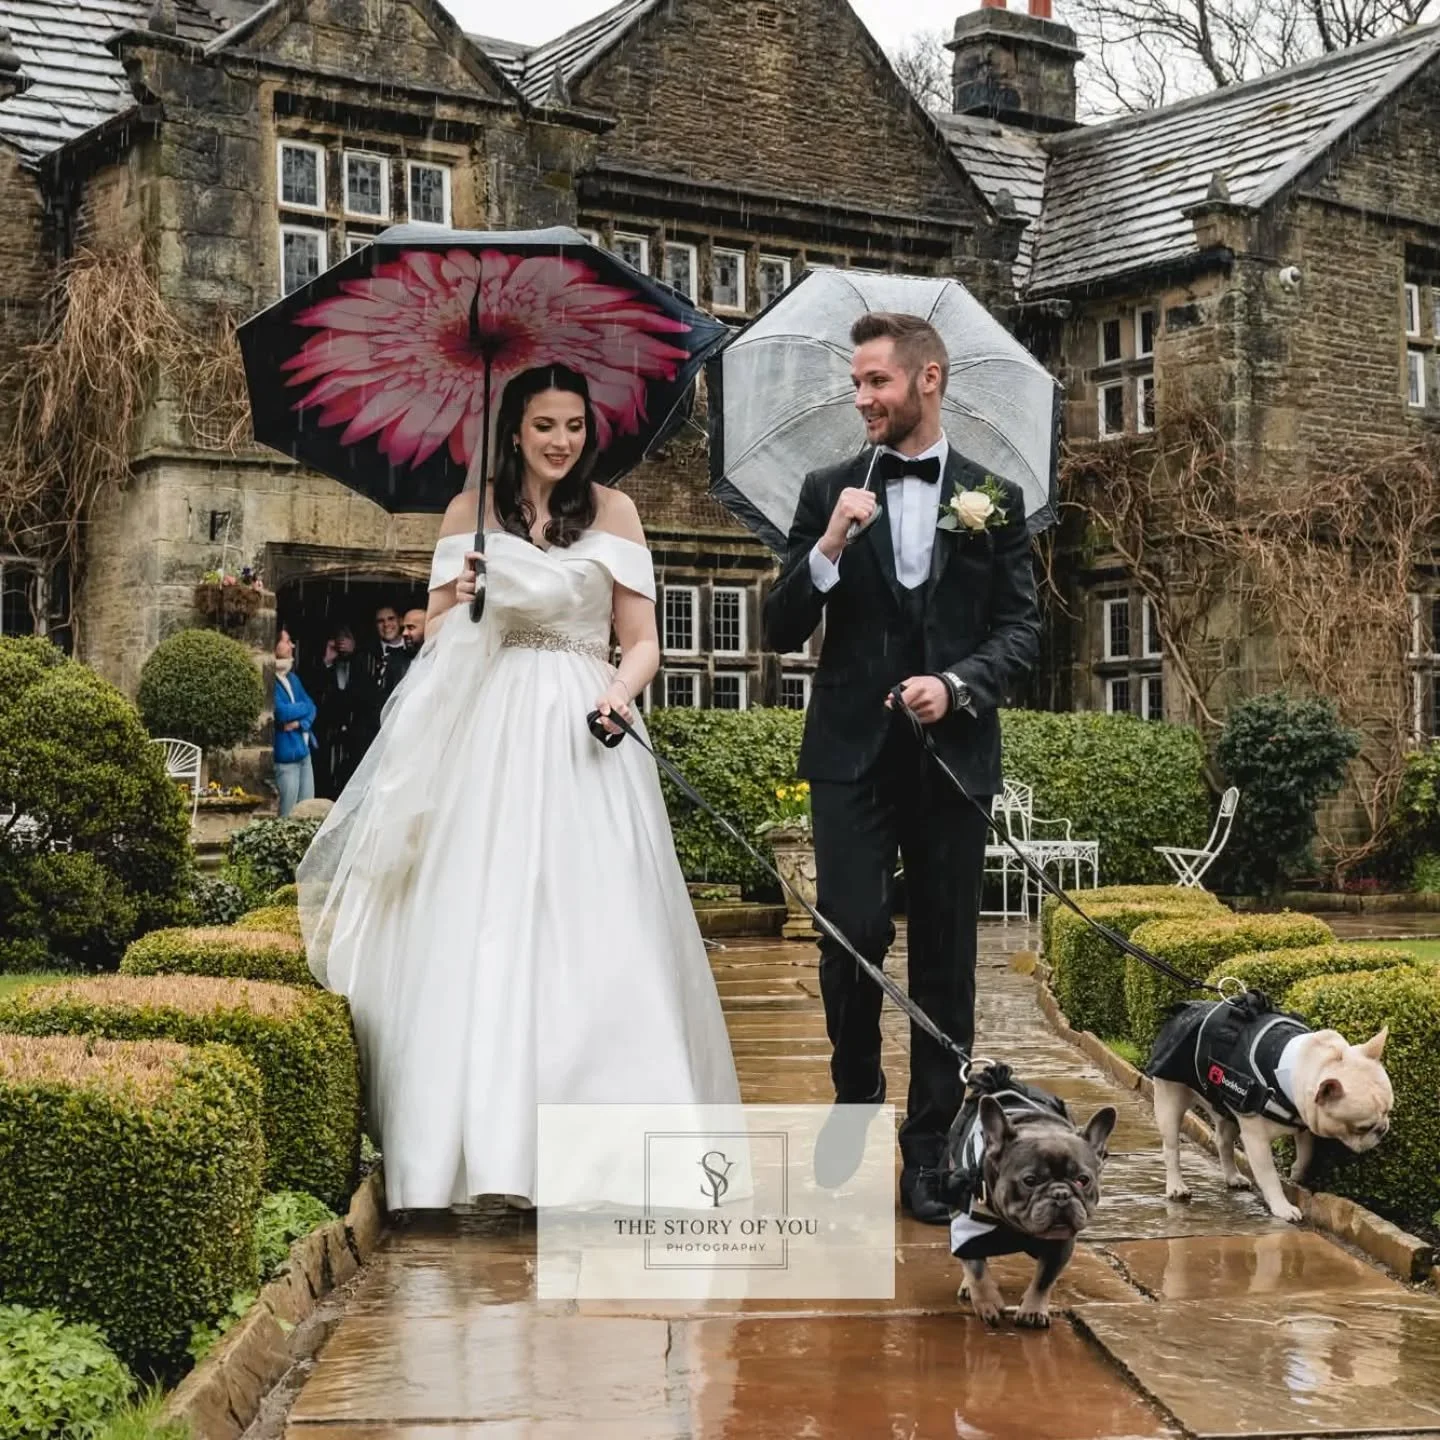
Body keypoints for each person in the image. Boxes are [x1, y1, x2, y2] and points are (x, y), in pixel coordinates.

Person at [296, 363, 740, 1210]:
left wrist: (619, 693)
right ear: (515, 430)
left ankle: (605, 1153)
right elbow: (433, 638)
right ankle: (482, 1157)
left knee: (596, 924)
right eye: (545, 426)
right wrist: (462, 598)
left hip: (585, 725)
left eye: (574, 425)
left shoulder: (617, 512)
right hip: (489, 729)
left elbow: (640, 640)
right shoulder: (468, 513)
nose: (562, 441)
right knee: (484, 918)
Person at [763, 312, 1041, 1224]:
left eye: (875, 382)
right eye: (855, 384)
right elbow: (776, 626)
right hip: (849, 755)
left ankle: (930, 1145)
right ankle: (854, 1100)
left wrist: (958, 686)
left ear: (929, 380)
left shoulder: (994, 499)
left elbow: (1023, 630)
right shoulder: (827, 488)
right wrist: (830, 544)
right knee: (849, 932)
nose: (861, 399)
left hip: (951, 762)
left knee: (948, 958)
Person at [314, 626, 373, 798]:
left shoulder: (364, 662)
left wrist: (355, 652)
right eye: (338, 640)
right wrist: (328, 660)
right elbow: (317, 693)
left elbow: (367, 694)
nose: (342, 644)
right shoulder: (327, 666)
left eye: (346, 639)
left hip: (358, 734)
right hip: (329, 734)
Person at [273, 629, 317, 817]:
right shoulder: (270, 679)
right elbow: (281, 712)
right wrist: (302, 709)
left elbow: (312, 706)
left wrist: (300, 724)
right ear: (274, 645)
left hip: (303, 751)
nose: (292, 645)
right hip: (286, 757)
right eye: (287, 641)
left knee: (308, 813)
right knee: (287, 815)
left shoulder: (292, 678)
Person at [368, 603, 412, 708]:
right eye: (380, 621)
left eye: (391, 619)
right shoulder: (366, 655)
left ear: (401, 621)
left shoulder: (414, 649)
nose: (386, 624)